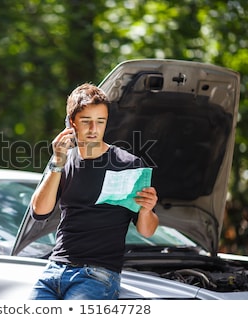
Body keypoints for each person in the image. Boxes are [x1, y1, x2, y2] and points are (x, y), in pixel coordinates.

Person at [29, 83, 159, 300]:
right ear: (72, 123)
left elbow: (147, 231)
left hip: (98, 274)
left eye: (100, 122)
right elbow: (39, 212)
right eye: (86, 121)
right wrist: (57, 161)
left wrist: (146, 210)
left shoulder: (127, 164)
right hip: (55, 269)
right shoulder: (63, 161)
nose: (93, 129)